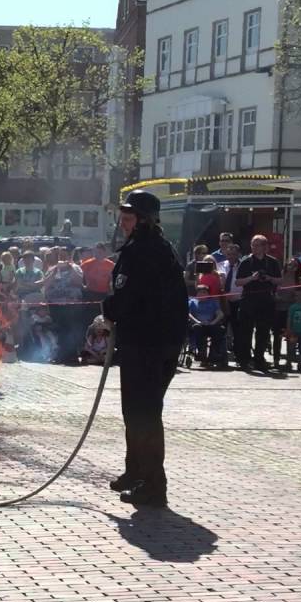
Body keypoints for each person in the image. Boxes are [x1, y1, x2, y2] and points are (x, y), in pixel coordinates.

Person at [102, 189, 188, 508]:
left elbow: (126, 297)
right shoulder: (160, 248)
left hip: (146, 344)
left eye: (128, 217)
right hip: (158, 342)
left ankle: (153, 485)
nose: (122, 222)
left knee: (144, 414)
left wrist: (108, 310)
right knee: (137, 411)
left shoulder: (140, 252)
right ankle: (135, 471)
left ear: (143, 221)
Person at [233, 235, 282, 370]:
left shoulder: (272, 262)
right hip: (248, 300)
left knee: (263, 331)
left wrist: (269, 278)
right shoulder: (246, 262)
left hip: (266, 300)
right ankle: (245, 359)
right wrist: (251, 278)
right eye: (253, 245)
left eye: (257, 245)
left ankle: (259, 359)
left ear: (264, 247)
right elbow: (238, 282)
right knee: (246, 331)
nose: (254, 248)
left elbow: (279, 280)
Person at [187, 284, 227, 367]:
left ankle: (214, 353)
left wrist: (213, 322)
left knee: (219, 329)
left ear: (208, 294)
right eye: (200, 292)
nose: (202, 294)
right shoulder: (192, 302)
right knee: (196, 328)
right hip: (198, 325)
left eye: (204, 292)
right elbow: (188, 314)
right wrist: (197, 321)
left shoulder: (213, 302)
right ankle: (201, 351)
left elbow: (220, 314)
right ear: (197, 294)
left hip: (211, 324)